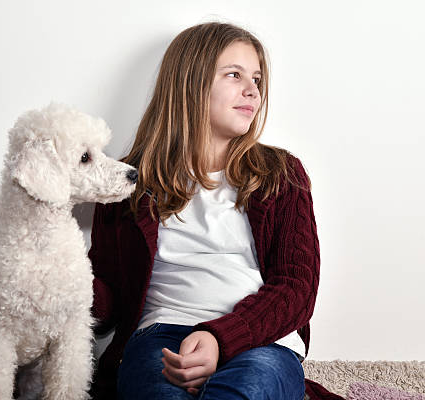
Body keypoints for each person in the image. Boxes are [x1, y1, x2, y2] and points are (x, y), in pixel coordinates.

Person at [88, 22, 344, 400]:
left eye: (257, 78)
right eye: (234, 74)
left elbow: (297, 288)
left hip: (260, 339)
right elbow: (106, 297)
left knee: (245, 390)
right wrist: (54, 274)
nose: (252, 89)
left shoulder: (281, 175)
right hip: (162, 336)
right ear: (190, 83)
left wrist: (220, 338)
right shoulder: (127, 181)